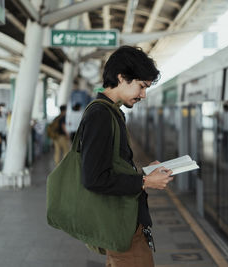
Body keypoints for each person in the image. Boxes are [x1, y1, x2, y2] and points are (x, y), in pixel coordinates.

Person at [80, 46, 174, 267]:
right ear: (122, 77)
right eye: (141, 86)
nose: (143, 95)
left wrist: (144, 172)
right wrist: (144, 181)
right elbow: (94, 178)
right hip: (121, 227)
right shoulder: (100, 115)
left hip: (123, 224)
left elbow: (111, 167)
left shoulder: (110, 112)